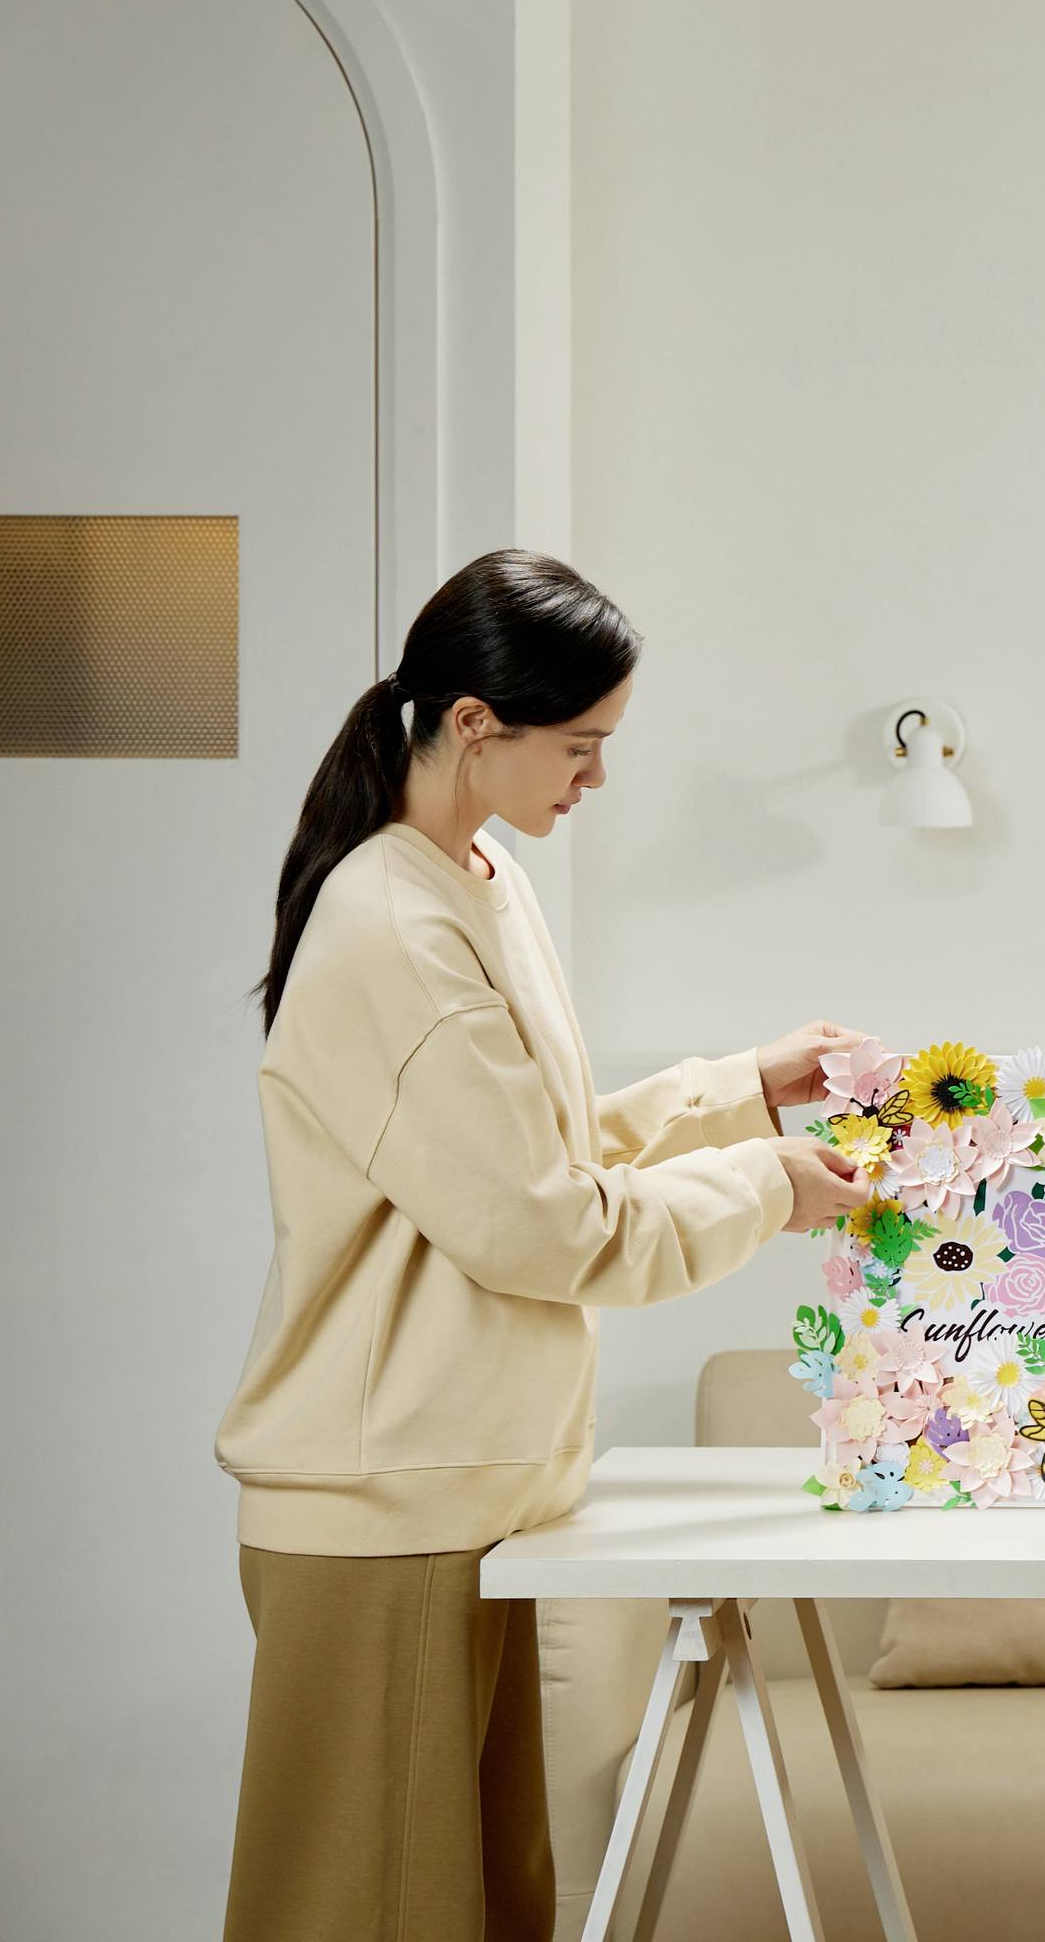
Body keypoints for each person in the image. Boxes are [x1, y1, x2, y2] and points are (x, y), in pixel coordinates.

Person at [214, 550, 871, 1940]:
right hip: (385, 1509)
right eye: (580, 747)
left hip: (466, 1495)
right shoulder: (393, 921)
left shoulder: (477, 877)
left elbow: (539, 1150)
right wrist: (766, 1186)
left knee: (478, 1907)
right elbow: (548, 1230)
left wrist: (744, 1087)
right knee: (368, 1914)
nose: (596, 780)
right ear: (472, 725)